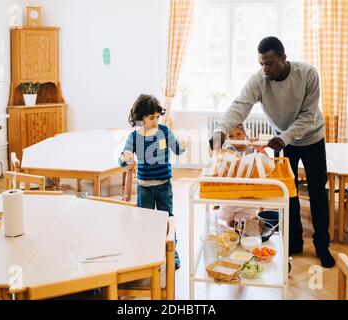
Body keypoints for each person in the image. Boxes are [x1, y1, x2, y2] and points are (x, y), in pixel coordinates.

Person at [210, 36, 335, 268]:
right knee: (288, 191)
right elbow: (240, 105)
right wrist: (221, 130)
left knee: (317, 191)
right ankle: (295, 241)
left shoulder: (308, 74)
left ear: (283, 58)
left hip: (311, 138)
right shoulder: (259, 79)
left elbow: (308, 116)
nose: (265, 69)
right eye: (261, 64)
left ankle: (322, 245)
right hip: (283, 141)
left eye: (269, 63)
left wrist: (284, 137)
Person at [119, 94, 187, 269]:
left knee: (167, 219)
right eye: (151, 117)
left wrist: (183, 145)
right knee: (147, 222)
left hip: (164, 185)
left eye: (157, 116)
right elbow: (122, 160)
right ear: (141, 118)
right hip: (144, 189)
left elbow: (177, 150)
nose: (156, 120)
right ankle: (149, 255)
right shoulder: (134, 137)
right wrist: (125, 158)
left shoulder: (164, 131)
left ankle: (172, 253)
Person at [215, 124, 267, 228]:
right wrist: (217, 145)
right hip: (230, 192)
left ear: (245, 134)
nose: (235, 138)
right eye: (231, 136)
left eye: (239, 134)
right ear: (226, 138)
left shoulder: (251, 148)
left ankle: (244, 234)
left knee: (245, 223)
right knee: (229, 220)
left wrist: (258, 147)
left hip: (248, 192)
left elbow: (265, 160)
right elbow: (215, 157)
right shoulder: (226, 149)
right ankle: (231, 236)